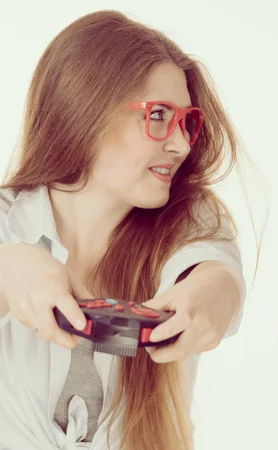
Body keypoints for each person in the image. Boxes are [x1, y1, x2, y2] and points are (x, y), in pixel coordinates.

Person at [0, 10, 246, 450]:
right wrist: (8, 266)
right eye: (157, 116)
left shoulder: (190, 220)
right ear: (86, 108)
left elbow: (216, 278)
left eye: (186, 121)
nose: (181, 144)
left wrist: (208, 301)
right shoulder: (6, 220)